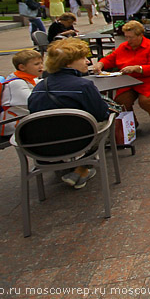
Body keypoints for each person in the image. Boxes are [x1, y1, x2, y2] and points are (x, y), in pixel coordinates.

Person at [28, 38, 111, 189]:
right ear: (68, 63)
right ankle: (83, 167)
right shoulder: (84, 86)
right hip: (79, 142)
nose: (87, 62)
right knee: (108, 122)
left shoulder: (39, 87)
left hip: (42, 147)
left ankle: (73, 169)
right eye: (83, 58)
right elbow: (101, 114)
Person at [92, 21, 150, 132]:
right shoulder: (123, 47)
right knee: (120, 101)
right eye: (126, 37)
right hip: (129, 81)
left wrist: (137, 68)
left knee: (146, 101)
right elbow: (110, 59)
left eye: (131, 37)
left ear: (140, 35)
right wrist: (100, 64)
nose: (128, 40)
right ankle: (131, 125)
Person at [0, 49, 44, 134]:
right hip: (14, 125)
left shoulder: (29, 79)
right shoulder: (17, 83)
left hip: (23, 120)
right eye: (36, 64)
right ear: (22, 67)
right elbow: (33, 102)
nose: (41, 66)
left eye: (41, 63)